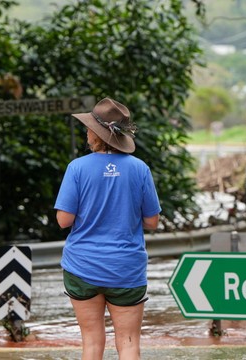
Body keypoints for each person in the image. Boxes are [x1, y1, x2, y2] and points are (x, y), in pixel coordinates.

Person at [54, 97, 161, 360]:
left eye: (89, 128)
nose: (87, 133)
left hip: (83, 266)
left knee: (91, 342)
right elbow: (152, 222)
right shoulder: (140, 169)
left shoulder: (77, 168)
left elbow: (63, 220)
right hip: (126, 268)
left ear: (97, 134)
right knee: (128, 342)